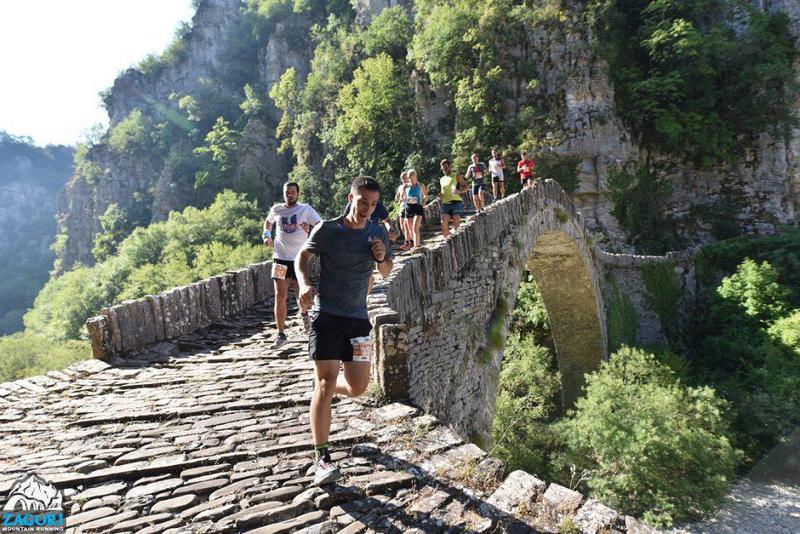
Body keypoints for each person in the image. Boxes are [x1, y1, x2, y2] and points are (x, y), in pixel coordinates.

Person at [296, 176, 395, 485]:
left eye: (373, 204)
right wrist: (304, 284)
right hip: (326, 316)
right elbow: (302, 257)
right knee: (326, 384)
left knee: (358, 388)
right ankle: (322, 458)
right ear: (351, 198)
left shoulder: (377, 232)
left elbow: (387, 270)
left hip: (358, 320)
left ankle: (321, 388)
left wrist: (381, 257)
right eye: (363, 202)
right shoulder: (328, 229)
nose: (367, 209)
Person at [263, 181, 321, 348]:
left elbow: (320, 226)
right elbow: (268, 222)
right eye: (287, 192)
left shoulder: (305, 209)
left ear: (298, 193)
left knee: (300, 295)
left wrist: (309, 230)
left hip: (300, 260)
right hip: (280, 259)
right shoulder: (277, 209)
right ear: (284, 193)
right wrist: (266, 235)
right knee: (279, 295)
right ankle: (281, 334)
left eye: (293, 192)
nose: (289, 194)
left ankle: (303, 313)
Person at [439, 159, 467, 238]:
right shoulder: (441, 179)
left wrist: (459, 191)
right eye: (442, 169)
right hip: (446, 204)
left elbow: (466, 186)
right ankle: (448, 240)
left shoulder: (456, 175)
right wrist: (440, 195)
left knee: (456, 225)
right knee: (443, 223)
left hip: (456, 202)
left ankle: (458, 241)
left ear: (449, 166)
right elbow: (442, 192)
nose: (444, 170)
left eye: (445, 167)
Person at [404, 169, 428, 249]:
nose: (410, 178)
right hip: (409, 208)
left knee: (415, 228)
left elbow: (425, 195)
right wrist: (406, 199)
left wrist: (423, 202)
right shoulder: (405, 186)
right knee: (410, 229)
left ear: (416, 176)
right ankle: (417, 243)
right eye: (409, 177)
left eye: (412, 176)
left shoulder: (420, 185)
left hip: (418, 207)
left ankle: (416, 247)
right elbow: (402, 197)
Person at [395, 171, 412, 251]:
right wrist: (397, 197)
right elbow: (398, 196)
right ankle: (407, 241)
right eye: (402, 178)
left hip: (409, 206)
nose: (404, 179)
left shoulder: (410, 185)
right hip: (402, 207)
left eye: (405, 178)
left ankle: (410, 242)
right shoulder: (400, 187)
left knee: (407, 225)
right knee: (402, 226)